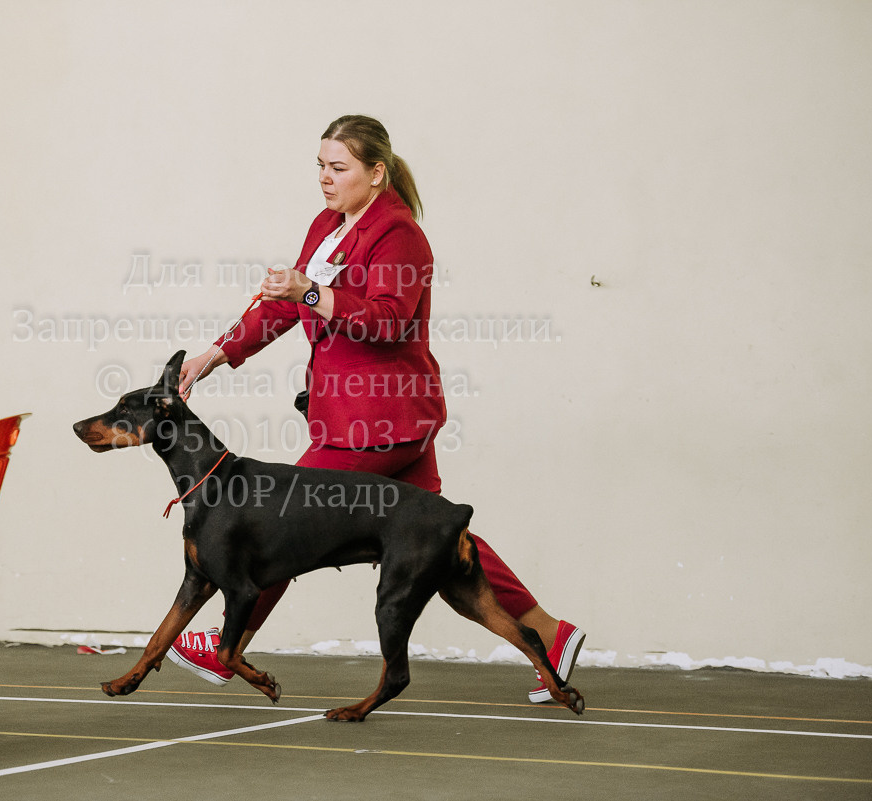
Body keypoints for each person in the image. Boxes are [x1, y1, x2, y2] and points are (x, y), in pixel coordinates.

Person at [170, 114, 584, 703]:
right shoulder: (327, 226)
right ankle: (550, 634)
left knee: (282, 521)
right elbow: (283, 306)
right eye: (319, 165)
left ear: (376, 172)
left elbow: (387, 319)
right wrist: (217, 352)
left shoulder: (400, 235)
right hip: (377, 421)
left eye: (338, 168)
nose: (325, 178)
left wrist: (311, 291)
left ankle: (225, 646)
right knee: (443, 541)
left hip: (374, 424)